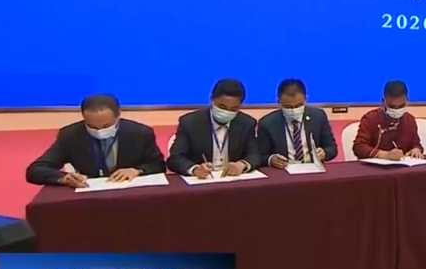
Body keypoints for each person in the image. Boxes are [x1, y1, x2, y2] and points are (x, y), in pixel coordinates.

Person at [25, 94, 166, 188]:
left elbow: (158, 165)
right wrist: (64, 178)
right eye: (91, 126)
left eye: (106, 126)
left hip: (130, 192)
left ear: (118, 116)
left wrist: (137, 170)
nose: (99, 131)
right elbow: (35, 170)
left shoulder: (140, 133)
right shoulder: (70, 135)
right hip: (89, 195)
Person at [168, 79, 261, 178]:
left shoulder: (246, 123)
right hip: (202, 181)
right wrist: (195, 169)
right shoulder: (190, 123)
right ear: (212, 99)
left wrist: (242, 165)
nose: (227, 112)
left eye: (233, 109)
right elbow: (175, 158)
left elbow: (255, 155)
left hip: (232, 179)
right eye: (222, 107)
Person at [257, 78, 338, 169]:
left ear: (305, 100)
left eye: (299, 105)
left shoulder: (318, 116)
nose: (294, 110)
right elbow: (259, 156)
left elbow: (332, 148)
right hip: (283, 171)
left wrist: (324, 153)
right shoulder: (267, 124)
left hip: (312, 169)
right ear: (279, 102)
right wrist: (270, 159)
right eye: (288, 107)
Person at [352, 80, 425, 159]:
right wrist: (384, 154)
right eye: (392, 106)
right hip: (375, 165)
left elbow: (416, 144)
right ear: (383, 102)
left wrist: (416, 149)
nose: (396, 110)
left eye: (401, 106)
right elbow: (358, 147)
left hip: (402, 164)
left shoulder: (410, 120)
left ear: (407, 100)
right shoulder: (370, 119)